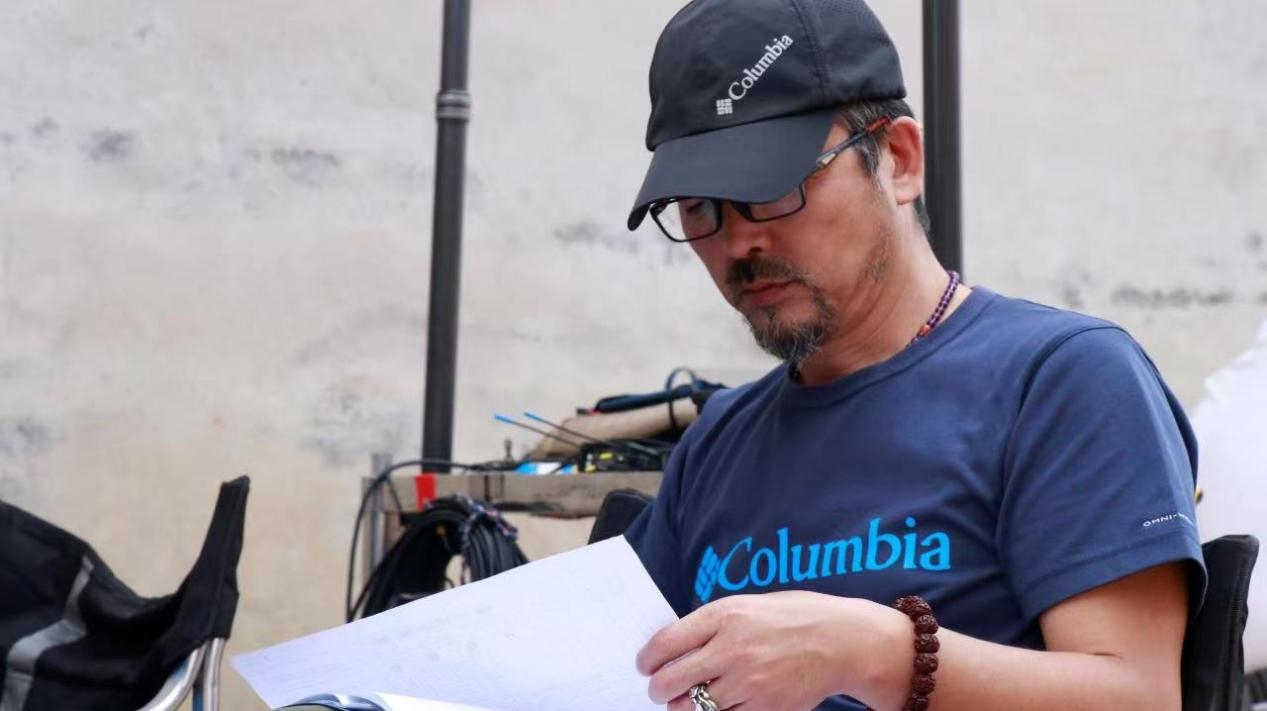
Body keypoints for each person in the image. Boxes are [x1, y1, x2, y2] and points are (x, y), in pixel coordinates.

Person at [620, 1, 1205, 709]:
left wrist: (873, 654)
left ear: (898, 160)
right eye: (697, 207)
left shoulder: (1061, 380)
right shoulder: (719, 439)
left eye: (771, 189)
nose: (737, 241)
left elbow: (1139, 696)